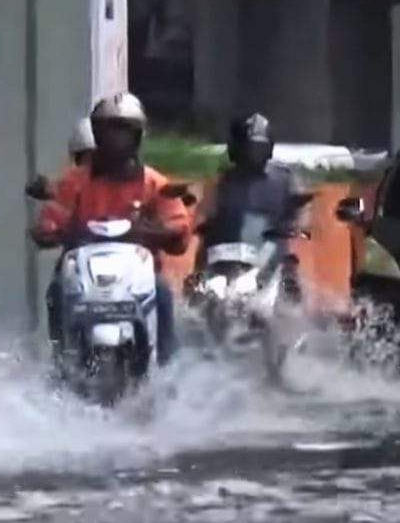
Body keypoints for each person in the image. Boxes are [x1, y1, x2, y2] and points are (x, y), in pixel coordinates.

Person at [31, 92, 191, 364]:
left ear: (138, 135)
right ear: (96, 133)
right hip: (81, 277)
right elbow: (51, 217)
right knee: (57, 291)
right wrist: (50, 230)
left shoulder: (154, 183)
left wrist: (158, 231)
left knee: (162, 293)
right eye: (109, 131)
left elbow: (178, 226)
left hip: (139, 279)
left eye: (125, 131)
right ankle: (60, 362)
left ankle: (167, 368)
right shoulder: (74, 182)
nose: (117, 139)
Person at [194, 112, 307, 297]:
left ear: (269, 149)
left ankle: (291, 321)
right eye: (249, 148)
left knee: (289, 288)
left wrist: (292, 236)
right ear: (236, 149)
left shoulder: (284, 179)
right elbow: (206, 219)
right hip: (226, 254)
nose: (253, 154)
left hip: (269, 252)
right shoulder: (222, 181)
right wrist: (198, 266)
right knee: (198, 292)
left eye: (259, 149)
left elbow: (299, 216)